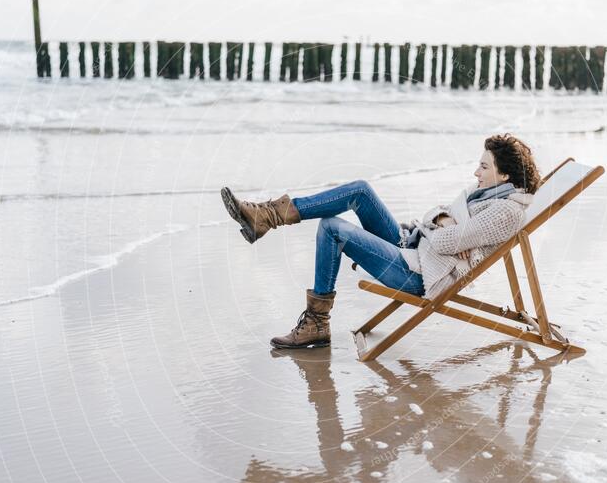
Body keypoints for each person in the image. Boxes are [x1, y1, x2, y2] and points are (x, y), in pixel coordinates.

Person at [220, 133, 542, 349]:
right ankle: (267, 216)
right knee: (360, 190)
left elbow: (447, 241)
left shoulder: (505, 211)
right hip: (415, 249)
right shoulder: (490, 194)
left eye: (484, 166)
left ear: (505, 176)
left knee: (332, 227)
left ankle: (317, 322)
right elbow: (442, 217)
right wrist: (440, 220)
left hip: (420, 274)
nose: (476, 172)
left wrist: (438, 222)